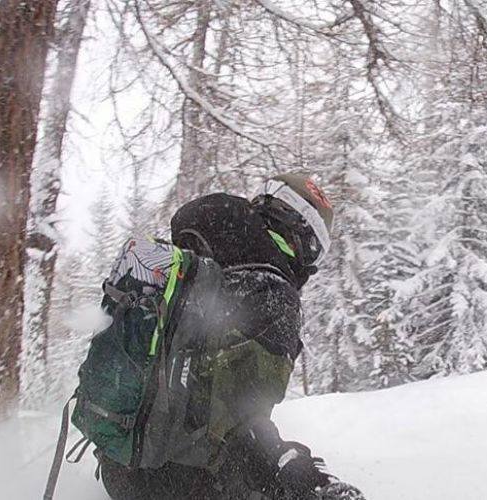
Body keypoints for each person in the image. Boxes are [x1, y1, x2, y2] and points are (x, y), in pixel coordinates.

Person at [98, 173, 336, 500]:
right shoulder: (273, 294)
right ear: (301, 238)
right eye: (313, 253)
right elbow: (242, 416)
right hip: (184, 484)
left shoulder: (189, 264)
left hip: (119, 464)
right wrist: (293, 468)